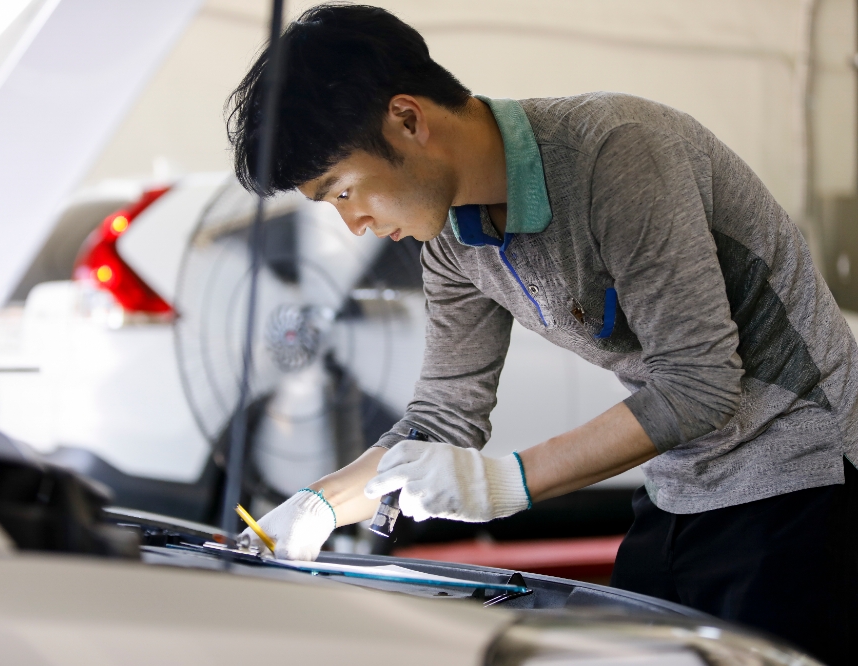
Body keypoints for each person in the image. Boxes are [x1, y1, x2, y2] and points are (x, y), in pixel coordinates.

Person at [226, 5, 857, 662]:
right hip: (683, 482)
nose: (352, 224)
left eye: (344, 190)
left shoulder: (618, 152)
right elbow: (444, 417)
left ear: (408, 119)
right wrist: (317, 507)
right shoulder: (451, 244)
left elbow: (697, 385)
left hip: (807, 472)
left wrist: (504, 482)